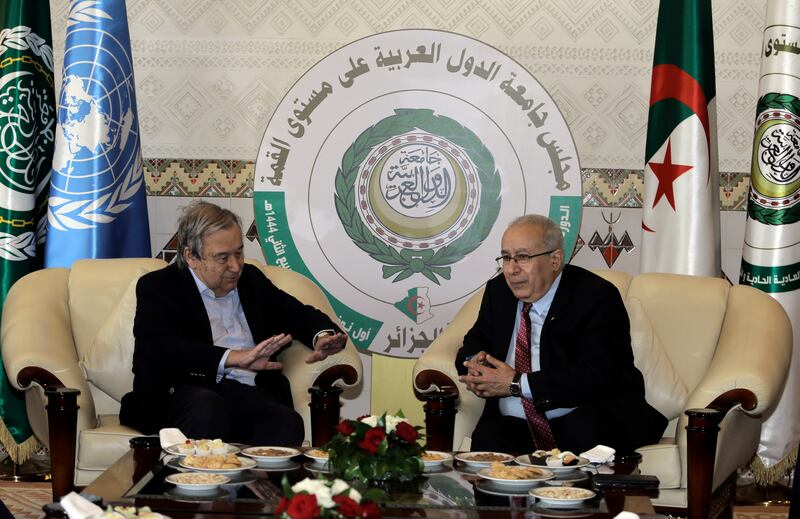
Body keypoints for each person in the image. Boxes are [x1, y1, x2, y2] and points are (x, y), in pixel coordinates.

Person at [120, 201, 347, 446]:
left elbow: (298, 313)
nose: (235, 266)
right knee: (208, 407)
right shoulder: (159, 287)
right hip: (183, 392)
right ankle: (204, 483)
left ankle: (257, 486)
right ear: (191, 256)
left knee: (286, 421)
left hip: (246, 394)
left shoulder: (251, 280)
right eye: (222, 257)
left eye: (238, 253)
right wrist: (233, 358)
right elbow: (162, 348)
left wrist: (323, 336)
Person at [456, 214, 667, 455]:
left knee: (583, 430)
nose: (512, 269)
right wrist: (475, 362)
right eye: (506, 257)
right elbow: (475, 340)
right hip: (517, 423)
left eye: (523, 257)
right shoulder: (498, 292)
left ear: (555, 260)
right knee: (488, 438)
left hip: (582, 414)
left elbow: (598, 375)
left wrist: (515, 383)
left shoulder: (595, 296)